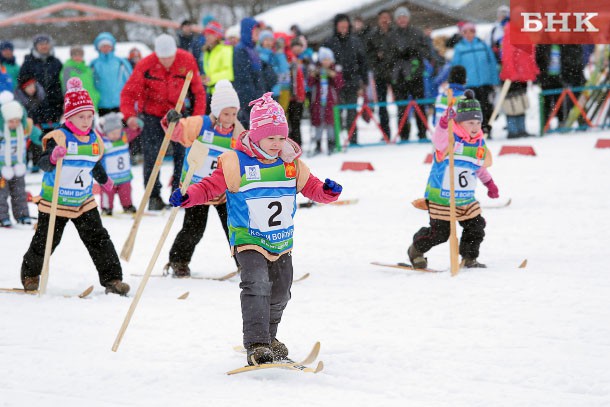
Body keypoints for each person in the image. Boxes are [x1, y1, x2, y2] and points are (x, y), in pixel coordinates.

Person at [168, 93, 342, 365]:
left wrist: (328, 192)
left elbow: (312, 188)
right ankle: (257, 344)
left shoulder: (290, 164)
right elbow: (211, 187)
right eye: (271, 138)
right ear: (256, 135)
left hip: (281, 241)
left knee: (281, 291)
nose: (277, 144)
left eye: (281, 138)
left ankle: (270, 336)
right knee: (257, 284)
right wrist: (189, 196)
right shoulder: (236, 161)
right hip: (248, 238)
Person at [20, 77, 129, 295]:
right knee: (46, 241)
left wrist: (104, 180)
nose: (87, 121)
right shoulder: (59, 136)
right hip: (55, 201)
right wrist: (52, 157)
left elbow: (93, 164)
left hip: (82, 200)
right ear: (69, 116)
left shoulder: (93, 139)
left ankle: (113, 280)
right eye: (81, 116)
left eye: (90, 116)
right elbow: (43, 163)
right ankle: (30, 274)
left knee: (99, 238)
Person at [408, 90, 499, 269]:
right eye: (470, 122)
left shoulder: (479, 143)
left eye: (478, 122)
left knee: (476, 226)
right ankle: (416, 250)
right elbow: (438, 141)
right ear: (459, 122)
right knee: (440, 233)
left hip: (465, 198)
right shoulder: (451, 139)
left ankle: (469, 257)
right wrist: (443, 123)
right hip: (442, 197)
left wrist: (490, 184)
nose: (475, 126)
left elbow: (478, 166)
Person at [163, 80, 244, 276]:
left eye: (234, 114)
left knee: (235, 227)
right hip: (196, 188)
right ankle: (178, 261)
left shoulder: (238, 132)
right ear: (216, 112)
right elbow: (178, 132)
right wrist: (171, 121)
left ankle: (246, 264)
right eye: (226, 113)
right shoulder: (201, 124)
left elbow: (245, 155)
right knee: (194, 229)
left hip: (223, 190)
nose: (230, 118)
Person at [120, 33, 206, 210]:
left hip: (178, 115)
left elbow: (198, 92)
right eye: (163, 58)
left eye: (170, 58)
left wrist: (197, 119)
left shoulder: (187, 60)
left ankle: (179, 193)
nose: (167, 61)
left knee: (182, 155)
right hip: (152, 115)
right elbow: (128, 92)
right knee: (152, 156)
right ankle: (153, 196)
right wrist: (129, 116)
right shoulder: (145, 65)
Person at [322, 14, 368, 145]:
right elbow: (322, 61)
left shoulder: (355, 41)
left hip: (352, 82)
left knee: (352, 112)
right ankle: (336, 140)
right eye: (341, 26)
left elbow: (363, 62)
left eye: (345, 26)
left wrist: (364, 81)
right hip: (334, 83)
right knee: (336, 112)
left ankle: (352, 139)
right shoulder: (329, 42)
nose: (343, 28)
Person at [389, 6, 430, 141]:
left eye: (404, 17)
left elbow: (425, 50)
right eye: (399, 18)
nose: (402, 20)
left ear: (408, 18)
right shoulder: (392, 34)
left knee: (420, 105)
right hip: (399, 76)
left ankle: (422, 132)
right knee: (402, 107)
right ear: (396, 20)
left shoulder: (417, 32)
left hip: (415, 74)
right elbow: (388, 56)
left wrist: (414, 53)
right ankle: (404, 134)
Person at [451, 22, 499, 137]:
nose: (469, 34)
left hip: (485, 81)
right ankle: (474, 132)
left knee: (486, 106)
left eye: (471, 31)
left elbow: (491, 63)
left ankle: (487, 129)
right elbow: (456, 66)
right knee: (472, 110)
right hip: (469, 84)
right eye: (466, 32)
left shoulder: (483, 45)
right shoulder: (459, 48)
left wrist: (494, 79)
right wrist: (457, 83)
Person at [0, 91, 39, 227]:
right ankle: (2, 217)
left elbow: (36, 134)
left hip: (18, 166)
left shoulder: (23, 128)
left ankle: (22, 215)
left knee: (19, 193)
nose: (15, 124)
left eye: (17, 121)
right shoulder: (1, 132)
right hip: (2, 169)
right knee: (1, 195)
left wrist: (44, 140)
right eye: (11, 121)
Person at [499, 20, 539, 138]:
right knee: (511, 104)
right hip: (511, 76)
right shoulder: (510, 34)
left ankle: (522, 129)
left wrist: (533, 71)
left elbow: (530, 55)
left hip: (523, 75)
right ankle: (513, 130)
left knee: (521, 102)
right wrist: (511, 73)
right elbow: (507, 56)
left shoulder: (526, 34)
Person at [17, 34, 63, 132]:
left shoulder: (56, 62)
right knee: (36, 135)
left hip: (54, 105)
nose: (44, 46)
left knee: (55, 134)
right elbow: (22, 82)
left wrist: (60, 101)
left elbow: (61, 82)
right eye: (40, 44)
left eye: (46, 43)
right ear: (35, 46)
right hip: (35, 105)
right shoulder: (28, 62)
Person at [97, 112, 139, 216]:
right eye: (112, 133)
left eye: (117, 132)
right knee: (107, 194)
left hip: (124, 176)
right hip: (109, 179)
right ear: (106, 132)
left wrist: (138, 123)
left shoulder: (124, 137)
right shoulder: (103, 143)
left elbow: (135, 131)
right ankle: (106, 208)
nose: (116, 135)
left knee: (126, 192)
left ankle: (127, 206)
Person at [308, 47, 344, 155]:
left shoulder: (335, 70)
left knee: (330, 124)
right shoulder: (316, 71)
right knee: (318, 124)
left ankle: (331, 144)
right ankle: (318, 145)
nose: (326, 62)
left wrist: (333, 75)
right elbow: (309, 84)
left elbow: (340, 84)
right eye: (324, 59)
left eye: (328, 59)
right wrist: (313, 75)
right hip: (318, 103)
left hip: (330, 103)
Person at [365, 9, 394, 138]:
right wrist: (377, 58)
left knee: (400, 103)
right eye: (382, 18)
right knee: (382, 105)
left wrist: (388, 56)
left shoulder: (395, 33)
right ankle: (386, 132)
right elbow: (369, 55)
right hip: (380, 73)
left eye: (387, 17)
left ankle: (403, 131)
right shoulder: (373, 35)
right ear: (378, 20)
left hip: (395, 73)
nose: (384, 20)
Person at [90, 32, 132, 116]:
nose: (106, 48)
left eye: (108, 45)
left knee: (121, 128)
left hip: (120, 103)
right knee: (104, 128)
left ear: (112, 47)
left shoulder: (121, 62)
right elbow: (90, 84)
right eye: (103, 46)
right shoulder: (94, 64)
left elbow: (130, 81)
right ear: (98, 48)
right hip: (102, 104)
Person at [233, 17, 264, 128]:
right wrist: (254, 100)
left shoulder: (252, 50)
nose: (258, 34)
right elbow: (244, 78)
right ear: (248, 31)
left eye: (259, 32)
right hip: (248, 100)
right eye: (255, 32)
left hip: (256, 98)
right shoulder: (240, 50)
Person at [14, 75, 45, 171]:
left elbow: (43, 112)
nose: (32, 89)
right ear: (24, 89)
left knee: (37, 145)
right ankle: (24, 164)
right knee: (24, 147)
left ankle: (36, 165)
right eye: (28, 87)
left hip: (37, 126)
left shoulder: (39, 99)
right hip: (24, 128)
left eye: (33, 86)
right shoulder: (20, 102)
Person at [202, 21, 234, 105]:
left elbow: (229, 73)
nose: (206, 37)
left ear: (217, 36)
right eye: (206, 34)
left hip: (223, 93)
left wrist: (211, 78)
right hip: (211, 92)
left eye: (209, 34)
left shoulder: (225, 49)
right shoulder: (207, 51)